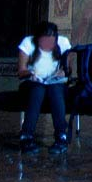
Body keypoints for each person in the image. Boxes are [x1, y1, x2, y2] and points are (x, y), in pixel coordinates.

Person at [16, 21, 72, 154]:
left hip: (54, 83)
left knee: (56, 90)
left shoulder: (63, 43)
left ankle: (61, 136)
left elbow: (68, 69)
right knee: (38, 90)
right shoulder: (28, 43)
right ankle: (27, 136)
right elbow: (21, 71)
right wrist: (31, 73)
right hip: (32, 82)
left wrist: (63, 72)